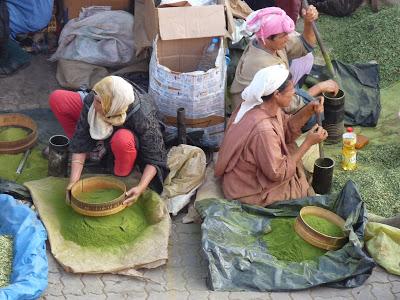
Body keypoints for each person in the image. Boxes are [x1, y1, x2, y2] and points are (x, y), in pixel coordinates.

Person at [215, 65, 328, 206]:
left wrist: (309, 109)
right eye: (291, 90)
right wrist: (307, 143)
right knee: (300, 188)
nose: (294, 93)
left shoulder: (260, 105)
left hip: (244, 172)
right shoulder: (264, 130)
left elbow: (285, 129)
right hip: (248, 190)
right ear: (276, 94)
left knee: (292, 149)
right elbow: (278, 173)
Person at [48, 76, 169, 205]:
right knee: (58, 98)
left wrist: (140, 188)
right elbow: (80, 139)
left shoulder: (142, 115)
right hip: (104, 126)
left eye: (99, 102)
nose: (95, 104)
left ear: (114, 106)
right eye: (96, 99)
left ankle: (120, 173)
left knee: (122, 140)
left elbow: (155, 157)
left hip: (126, 140)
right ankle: (93, 150)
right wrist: (73, 182)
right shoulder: (94, 99)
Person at [230, 6, 339, 113]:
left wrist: (308, 22)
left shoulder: (265, 43)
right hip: (253, 114)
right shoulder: (264, 67)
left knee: (305, 59)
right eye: (283, 35)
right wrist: (319, 87)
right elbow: (290, 105)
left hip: (273, 96)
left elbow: (306, 45)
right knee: (311, 116)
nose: (288, 38)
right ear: (266, 39)